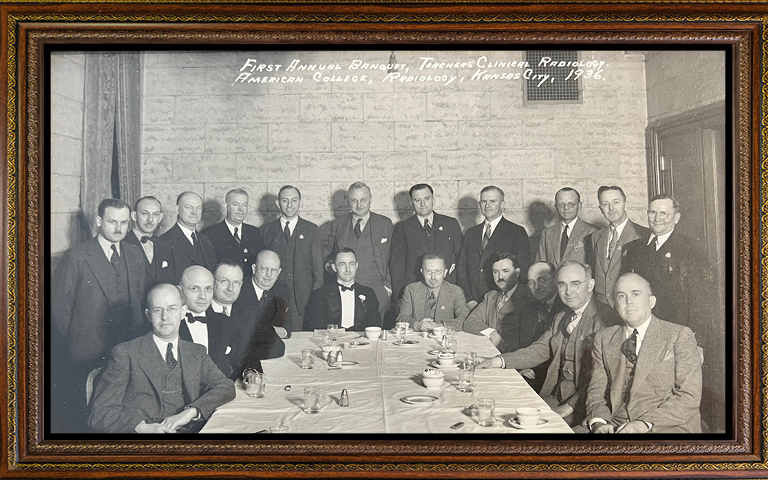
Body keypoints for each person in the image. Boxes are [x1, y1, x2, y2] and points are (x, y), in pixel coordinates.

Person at [477, 261, 619, 427]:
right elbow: (540, 349)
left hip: (584, 407)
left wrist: (569, 407)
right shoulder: (562, 316)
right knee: (499, 410)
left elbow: (604, 378)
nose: (568, 291)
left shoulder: (606, 319)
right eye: (562, 285)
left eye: (575, 284)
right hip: (555, 396)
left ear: (590, 285)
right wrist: (497, 361)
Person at [51, 198, 146, 433]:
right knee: (88, 418)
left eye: (124, 222)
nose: (119, 228)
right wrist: (75, 346)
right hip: (86, 355)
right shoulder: (77, 257)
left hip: (127, 351)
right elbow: (59, 312)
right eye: (113, 221)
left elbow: (140, 302)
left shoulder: (135, 254)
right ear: (99, 221)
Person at [89, 284, 236, 433]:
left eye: (172, 309)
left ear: (183, 312)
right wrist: (143, 428)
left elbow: (225, 386)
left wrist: (191, 411)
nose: (165, 317)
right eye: (157, 310)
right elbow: (100, 413)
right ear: (148, 315)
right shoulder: (125, 353)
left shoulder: (197, 352)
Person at [584, 273, 702, 433]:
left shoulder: (679, 335)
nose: (628, 301)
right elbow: (596, 390)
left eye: (635, 294)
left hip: (666, 425)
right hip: (615, 422)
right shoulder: (603, 338)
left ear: (651, 302)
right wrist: (599, 422)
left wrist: (643, 424)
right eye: (621, 296)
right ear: (615, 304)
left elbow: (689, 396)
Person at [323, 182, 393, 319]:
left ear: (370, 199)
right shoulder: (338, 224)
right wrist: (332, 268)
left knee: (374, 328)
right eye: (354, 200)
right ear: (348, 201)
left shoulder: (384, 223)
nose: (359, 205)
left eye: (363, 200)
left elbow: (393, 257)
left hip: (377, 290)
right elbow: (326, 252)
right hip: (344, 290)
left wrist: (387, 287)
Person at [261, 185, 324, 333]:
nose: (289, 205)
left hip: (303, 300)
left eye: (294, 200)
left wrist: (315, 300)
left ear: (300, 202)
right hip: (273, 299)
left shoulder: (311, 230)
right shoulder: (266, 230)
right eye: (285, 200)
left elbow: (318, 270)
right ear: (278, 203)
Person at [457, 185, 531, 307]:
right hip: (473, 302)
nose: (487, 205)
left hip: (502, 303)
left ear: (502, 204)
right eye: (484, 201)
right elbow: (461, 269)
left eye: (492, 201)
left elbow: (522, 269)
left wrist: (506, 300)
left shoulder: (516, 232)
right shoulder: (471, 233)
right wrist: (469, 299)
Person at [389, 183, 463, 301]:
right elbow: (397, 266)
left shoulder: (451, 224)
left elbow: (461, 259)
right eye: (417, 200)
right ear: (411, 203)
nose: (422, 204)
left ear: (433, 200)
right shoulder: (403, 227)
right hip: (415, 292)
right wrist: (400, 297)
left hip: (448, 291)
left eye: (426, 199)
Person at [230, 250, 290, 377]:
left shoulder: (282, 289)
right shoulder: (238, 289)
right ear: (254, 269)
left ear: (279, 272)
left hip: (270, 359)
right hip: (243, 360)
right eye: (264, 269)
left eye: (273, 270)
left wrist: (283, 331)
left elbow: (287, 322)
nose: (268, 275)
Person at [587, 186, 648, 307]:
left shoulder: (643, 234)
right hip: (600, 307)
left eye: (616, 202)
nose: (611, 208)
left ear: (625, 204)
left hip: (628, 306)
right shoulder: (596, 237)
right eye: (605, 204)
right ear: (600, 209)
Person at [463, 252, 533, 353]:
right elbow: (470, 322)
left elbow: (527, 343)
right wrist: (491, 333)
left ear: (517, 273)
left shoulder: (528, 298)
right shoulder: (490, 296)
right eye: (495, 272)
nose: (500, 276)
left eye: (505, 271)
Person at [303, 248, 381, 331]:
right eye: (342, 265)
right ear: (334, 267)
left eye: (351, 264)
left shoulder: (369, 293)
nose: (348, 269)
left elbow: (374, 326)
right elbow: (315, 329)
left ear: (356, 266)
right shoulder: (319, 295)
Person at [178, 265, 235, 378]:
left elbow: (244, 357)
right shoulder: (170, 325)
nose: (203, 296)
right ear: (180, 291)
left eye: (208, 289)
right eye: (195, 289)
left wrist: (249, 371)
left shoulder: (225, 322)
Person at [396, 252, 469, 332]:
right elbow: (401, 318)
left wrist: (441, 325)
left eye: (438, 271)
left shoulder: (456, 291)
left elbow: (465, 319)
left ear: (445, 273)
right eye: (428, 271)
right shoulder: (411, 290)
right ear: (422, 272)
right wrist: (418, 325)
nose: (433, 277)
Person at [522, 261, 566, 391]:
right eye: (531, 283)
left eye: (542, 280)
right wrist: (523, 367)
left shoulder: (566, 308)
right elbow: (523, 345)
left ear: (555, 280)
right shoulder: (528, 309)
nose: (536, 287)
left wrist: (533, 368)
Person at [202, 188, 265, 279]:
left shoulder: (255, 233)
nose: (241, 209)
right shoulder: (210, 233)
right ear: (226, 206)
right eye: (236, 204)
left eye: (244, 205)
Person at [156, 191, 217, 284]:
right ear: (177, 210)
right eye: (188, 207)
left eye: (198, 208)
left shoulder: (206, 240)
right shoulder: (164, 241)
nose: (194, 212)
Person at [537, 187, 597, 267]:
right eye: (561, 204)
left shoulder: (592, 232)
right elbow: (540, 267)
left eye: (571, 204)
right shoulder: (546, 234)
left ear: (579, 205)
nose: (566, 208)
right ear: (556, 206)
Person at [124, 195, 170, 288]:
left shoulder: (165, 245)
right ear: (134, 216)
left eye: (155, 214)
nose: (150, 219)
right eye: (145, 213)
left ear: (160, 217)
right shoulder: (122, 243)